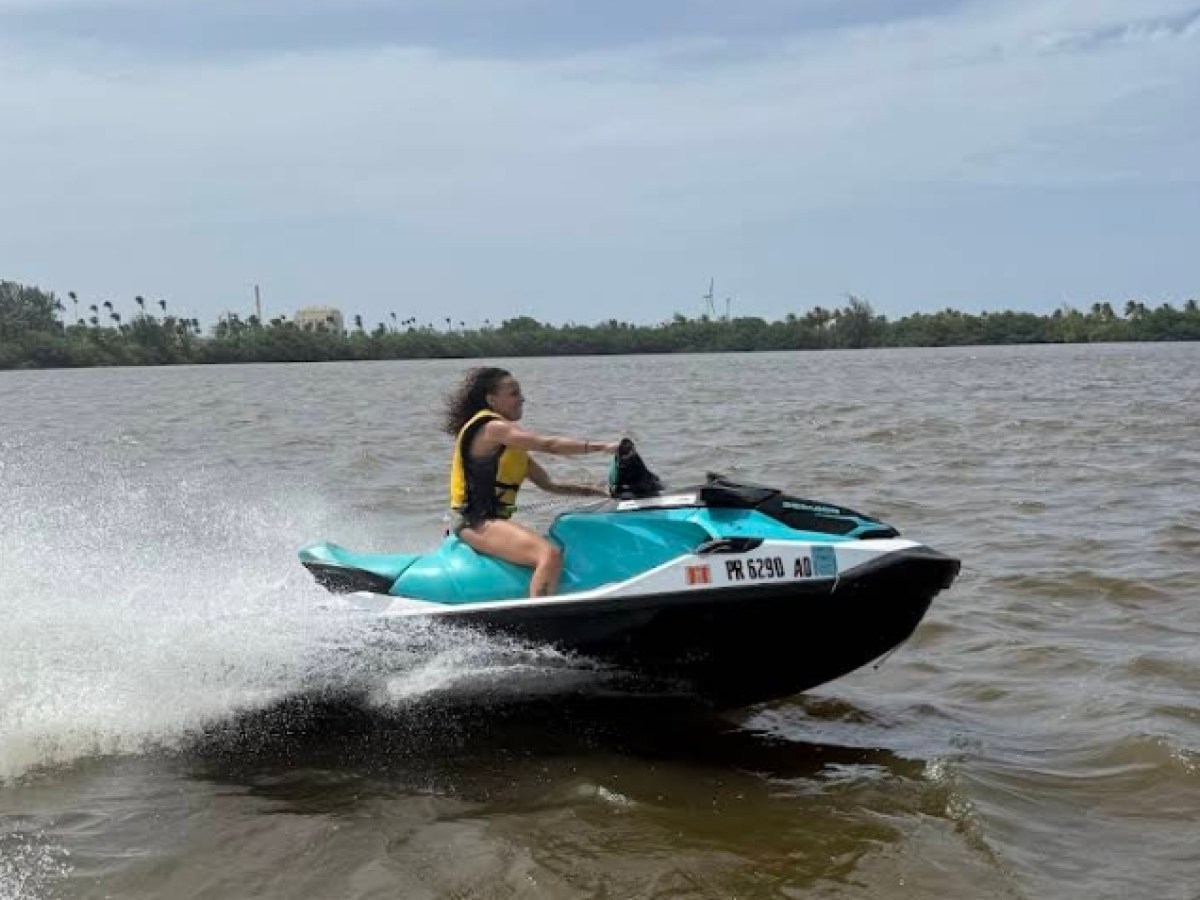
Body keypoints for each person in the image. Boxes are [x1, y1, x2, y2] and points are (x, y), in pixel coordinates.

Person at [444, 367, 620, 597]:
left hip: (487, 522)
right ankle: (542, 622)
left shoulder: (508, 449)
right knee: (548, 555)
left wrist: (600, 492)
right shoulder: (492, 428)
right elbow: (548, 445)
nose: (522, 398)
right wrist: (601, 447)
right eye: (514, 393)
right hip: (475, 523)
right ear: (491, 400)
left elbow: (550, 485)